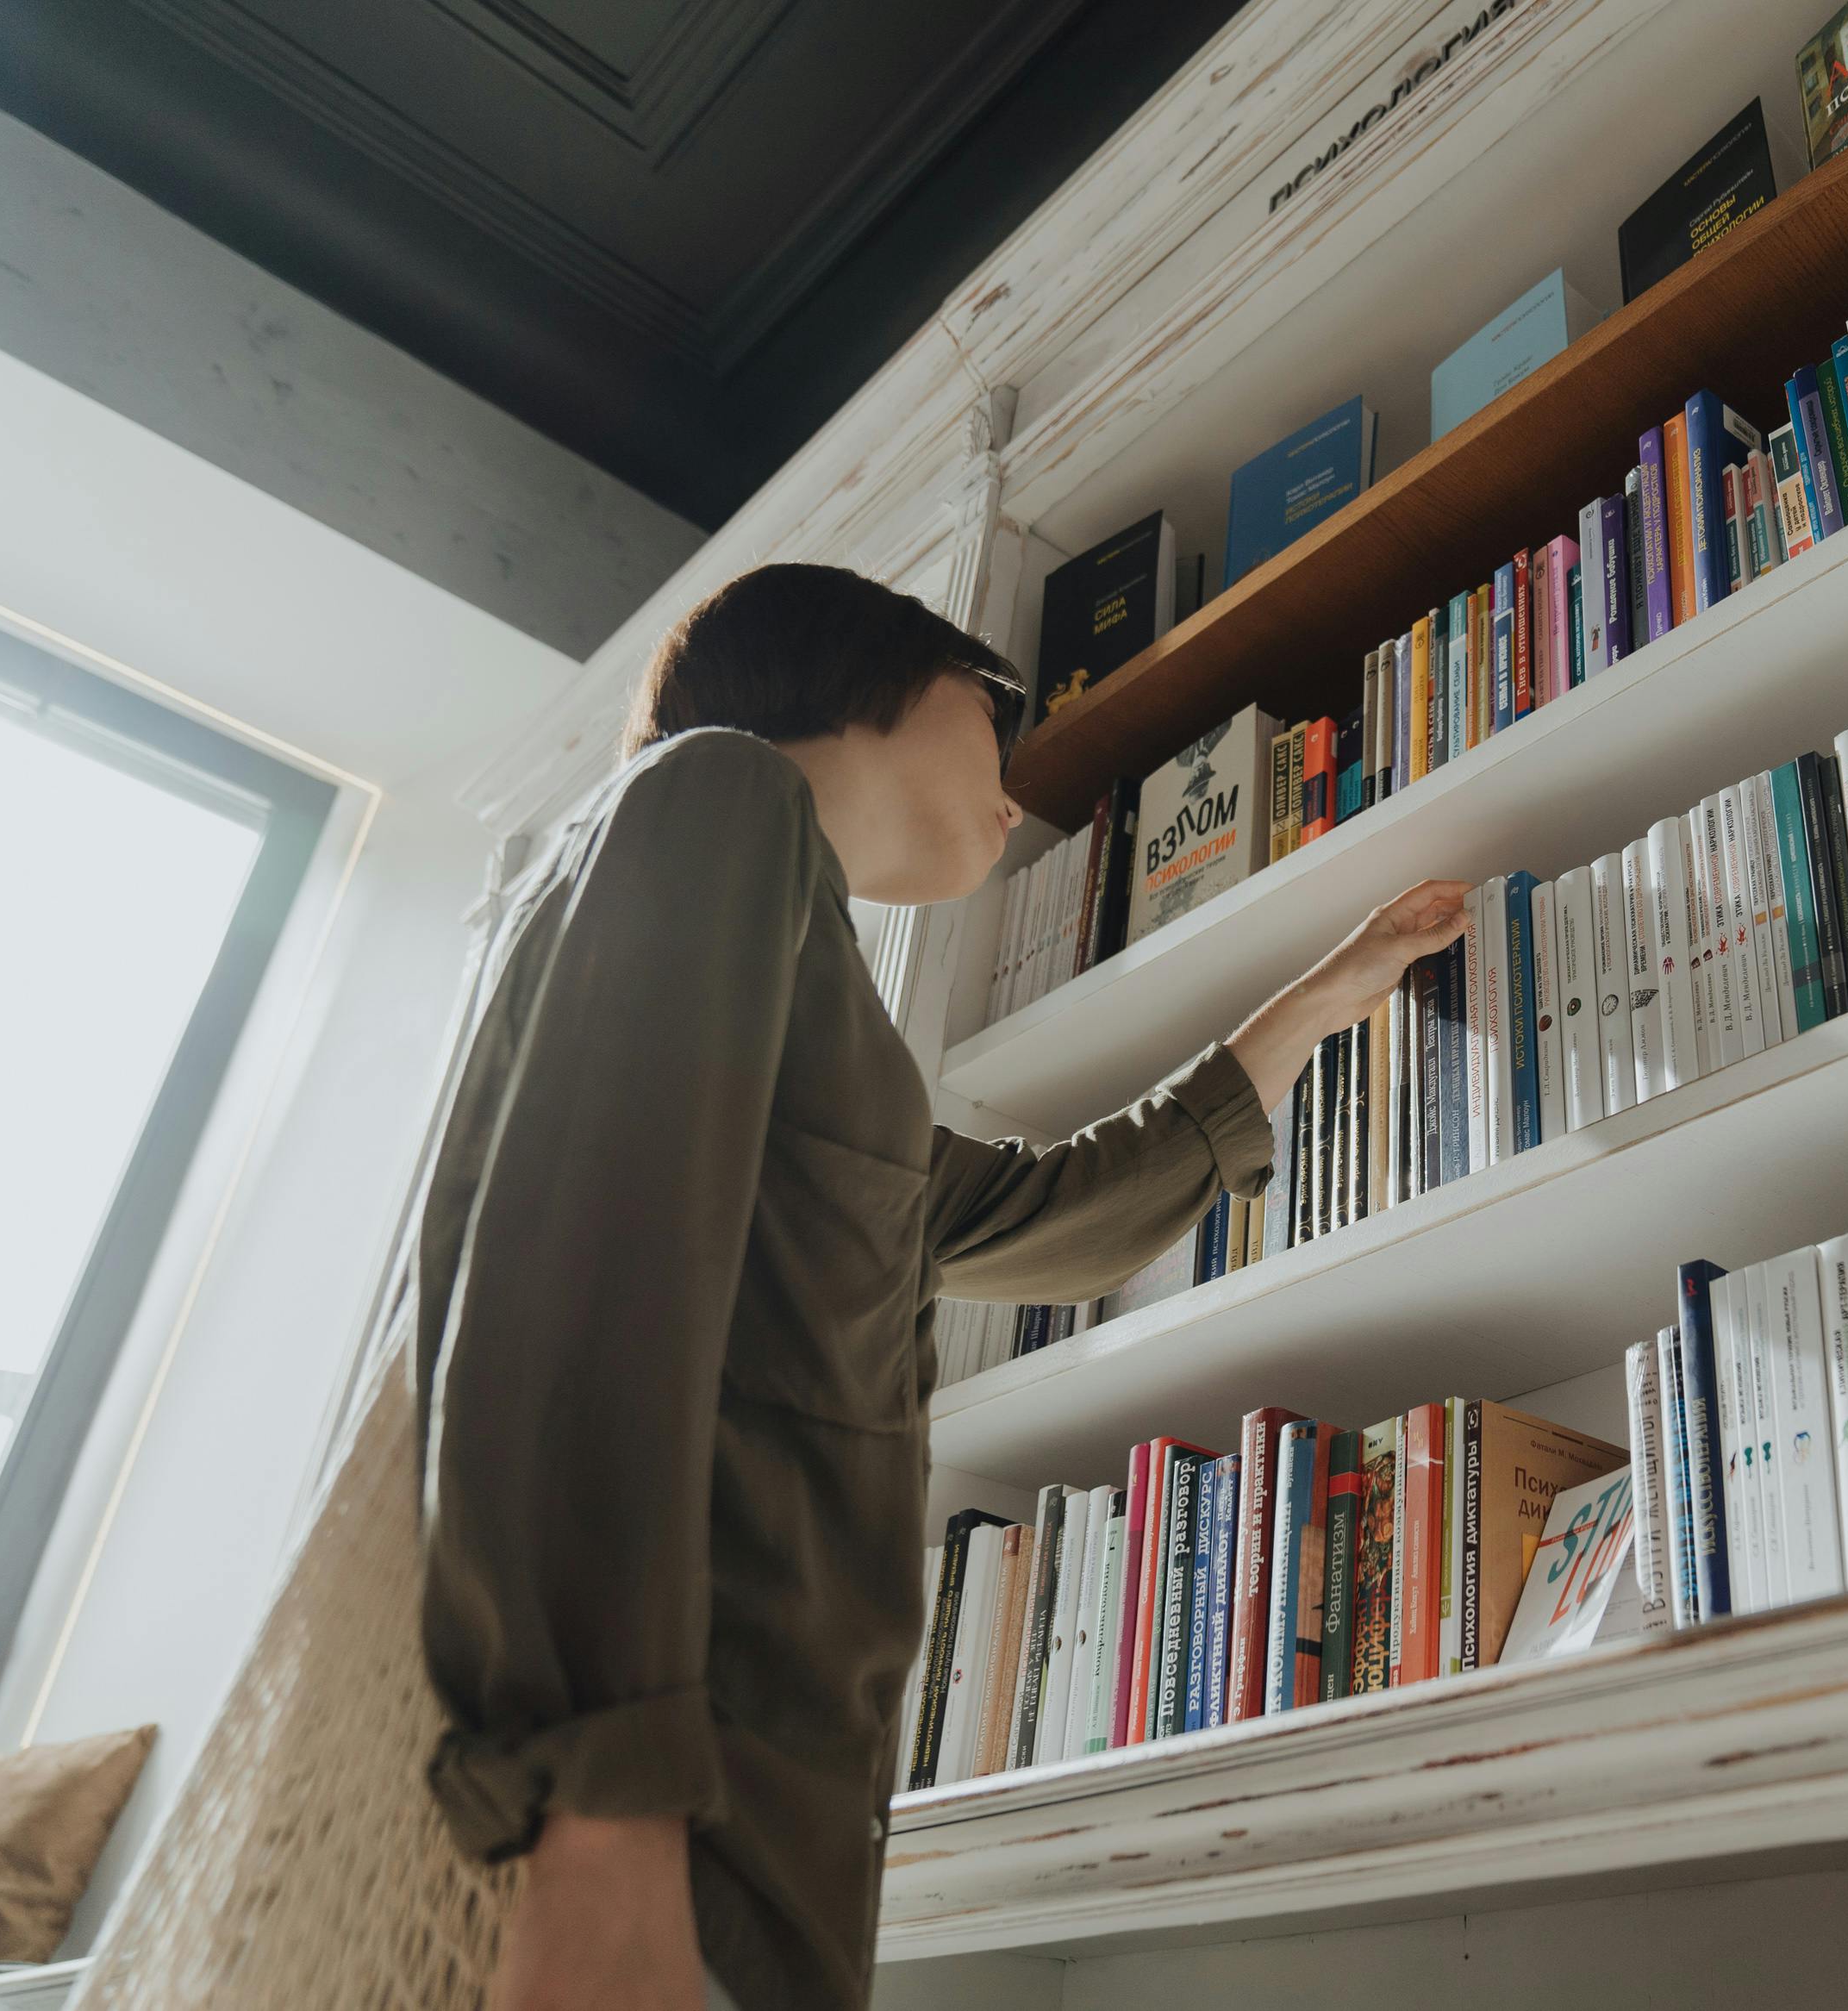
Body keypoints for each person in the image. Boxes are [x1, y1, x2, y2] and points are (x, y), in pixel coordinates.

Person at [410, 564, 1467, 2011]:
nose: (1017, 793)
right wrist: (598, 1818)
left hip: (762, 1852)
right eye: (999, 707)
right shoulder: (717, 798)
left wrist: (1324, 999)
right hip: (653, 1838)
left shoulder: (824, 1012)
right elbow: (589, 1271)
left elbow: (1062, 1216)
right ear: (868, 676)